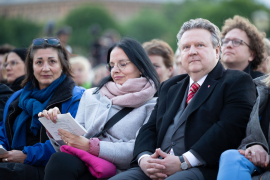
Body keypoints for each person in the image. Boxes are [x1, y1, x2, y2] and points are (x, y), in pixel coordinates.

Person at [110, 18, 256, 180]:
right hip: (156, 166)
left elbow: (228, 129)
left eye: (200, 45)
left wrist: (184, 161)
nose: (192, 51)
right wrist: (144, 159)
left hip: (201, 168)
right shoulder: (169, 86)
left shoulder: (236, 81)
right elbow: (149, 128)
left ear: (217, 51)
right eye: (186, 47)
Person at [43, 37, 159, 180]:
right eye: (111, 65)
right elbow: (75, 142)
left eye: (122, 64)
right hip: (85, 162)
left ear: (141, 67)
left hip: (118, 171)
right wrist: (55, 126)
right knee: (59, 160)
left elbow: (139, 149)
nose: (115, 70)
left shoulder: (153, 104)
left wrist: (92, 146)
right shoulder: (91, 94)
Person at [0, 37, 85, 180]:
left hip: (51, 169)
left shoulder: (77, 97)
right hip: (12, 162)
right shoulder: (16, 98)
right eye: (39, 62)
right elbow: (3, 132)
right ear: (31, 67)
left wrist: (26, 155)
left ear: (63, 65)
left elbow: (71, 142)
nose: (45, 68)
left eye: (52, 61)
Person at [217, 74, 270, 180]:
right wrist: (255, 144)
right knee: (231, 157)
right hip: (262, 161)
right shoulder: (261, 88)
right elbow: (253, 131)